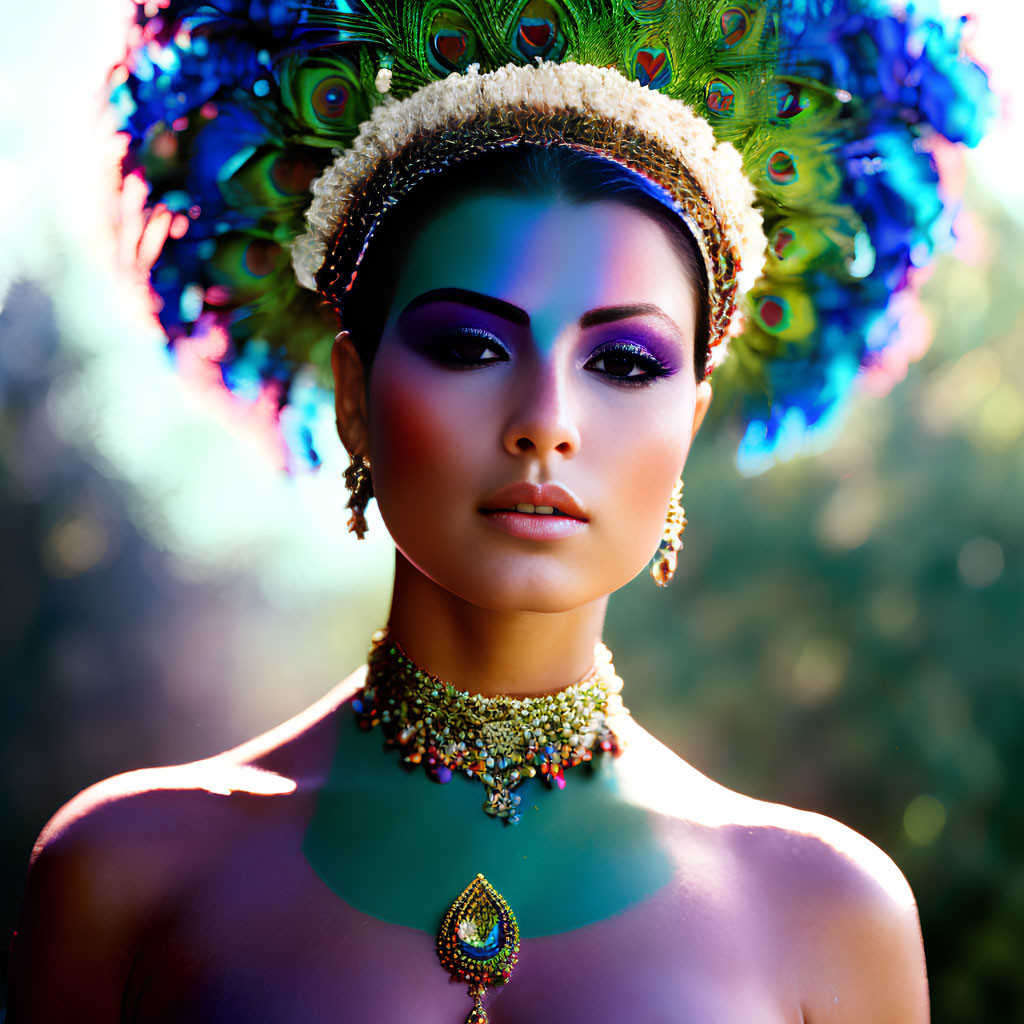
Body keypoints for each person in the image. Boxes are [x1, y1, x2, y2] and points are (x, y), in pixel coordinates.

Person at [9, 1, 991, 1020]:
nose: (545, 424)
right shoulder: (127, 872)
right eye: (471, 345)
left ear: (689, 420)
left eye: (622, 362)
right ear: (356, 395)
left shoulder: (828, 910)